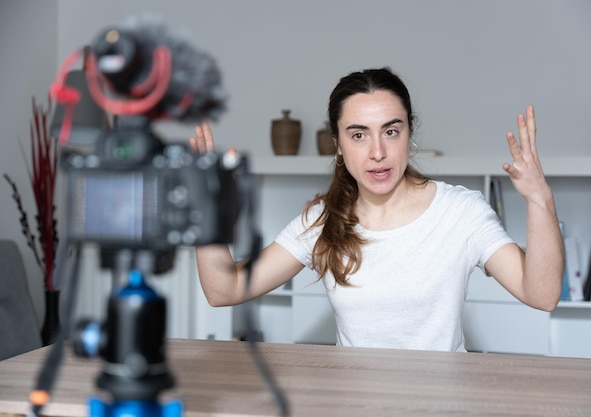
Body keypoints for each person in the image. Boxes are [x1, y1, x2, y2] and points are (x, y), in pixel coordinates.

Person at [190, 67, 564, 352]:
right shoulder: (322, 221)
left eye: (391, 130)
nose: (377, 152)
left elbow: (542, 294)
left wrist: (539, 199)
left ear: (409, 133)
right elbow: (225, 289)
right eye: (358, 135)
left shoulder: (461, 213)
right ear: (337, 143)